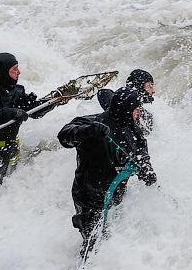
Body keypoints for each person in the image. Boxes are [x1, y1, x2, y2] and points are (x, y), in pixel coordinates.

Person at [58, 87, 157, 258]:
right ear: (126, 109)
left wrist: (146, 169)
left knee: (111, 240)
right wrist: (87, 131)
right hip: (89, 196)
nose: (139, 112)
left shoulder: (132, 128)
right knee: (93, 243)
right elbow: (64, 136)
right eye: (136, 109)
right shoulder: (93, 122)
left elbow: (141, 152)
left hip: (116, 196)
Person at [0, 53, 57, 188]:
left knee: (6, 188)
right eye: (14, 69)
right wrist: (11, 112)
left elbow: (32, 112)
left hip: (10, 148)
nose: (18, 72)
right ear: (3, 72)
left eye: (17, 68)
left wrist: (52, 102)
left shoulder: (16, 91)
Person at [97, 69, 156, 134]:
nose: (153, 91)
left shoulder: (147, 117)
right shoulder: (118, 102)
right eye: (150, 86)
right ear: (139, 85)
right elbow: (103, 92)